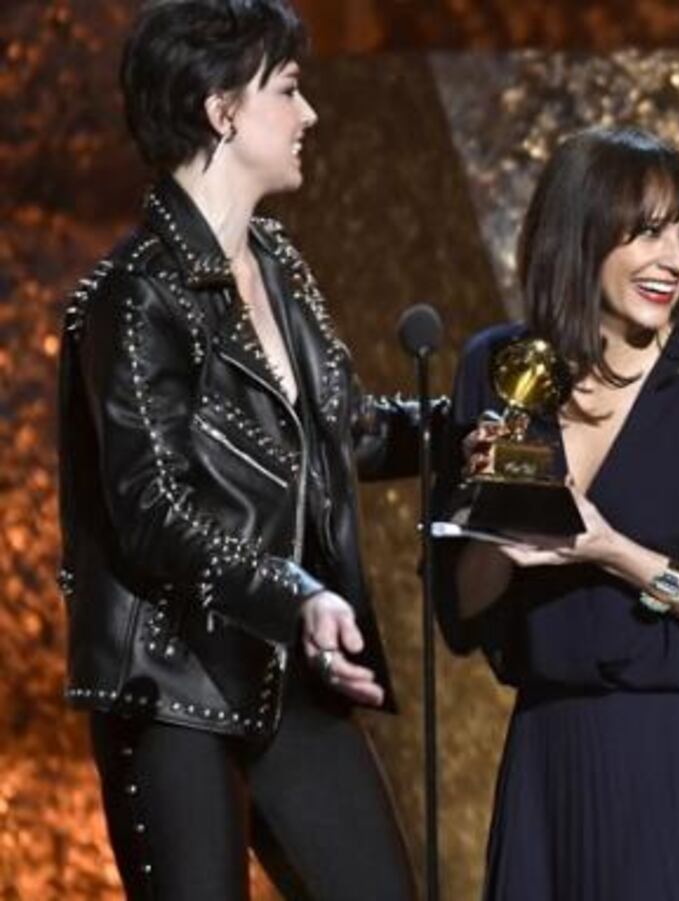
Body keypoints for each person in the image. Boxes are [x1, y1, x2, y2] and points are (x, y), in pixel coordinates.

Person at [55, 1, 419, 897]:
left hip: (284, 669)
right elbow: (153, 511)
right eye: (289, 91)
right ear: (222, 110)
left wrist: (477, 427)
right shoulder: (135, 297)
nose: (310, 116)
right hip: (173, 682)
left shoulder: (279, 263)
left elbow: (349, 428)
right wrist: (294, 591)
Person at [432, 125, 679, 899]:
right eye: (647, 233)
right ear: (579, 232)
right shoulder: (500, 368)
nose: (674, 260)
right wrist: (501, 534)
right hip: (555, 759)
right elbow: (459, 605)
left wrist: (615, 551)